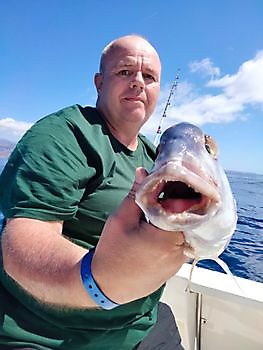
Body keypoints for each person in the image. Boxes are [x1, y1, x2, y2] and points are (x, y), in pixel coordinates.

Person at [0, 34, 187, 350]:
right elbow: (21, 244)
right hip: (48, 336)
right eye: (125, 72)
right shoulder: (64, 135)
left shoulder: (157, 157)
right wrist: (101, 282)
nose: (138, 82)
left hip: (142, 326)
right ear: (99, 82)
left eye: (149, 77)